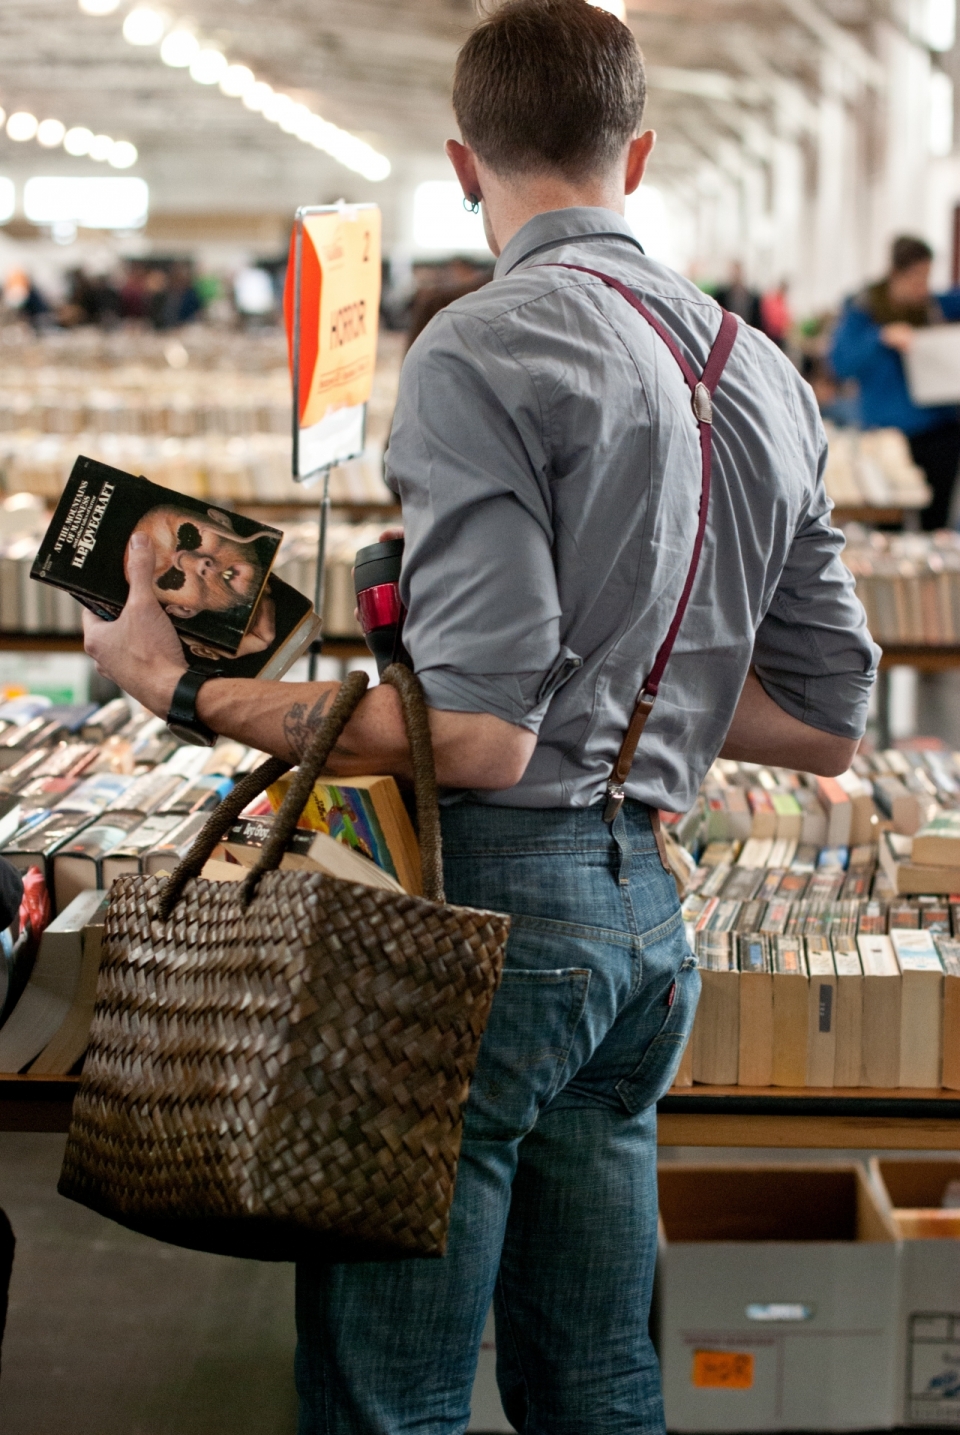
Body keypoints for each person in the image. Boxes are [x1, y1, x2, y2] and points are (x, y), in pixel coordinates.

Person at [83, 1, 877, 1430]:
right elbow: (827, 719)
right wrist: (642, 702)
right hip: (647, 927)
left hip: (488, 920)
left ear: (462, 163)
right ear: (636, 153)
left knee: (395, 1391)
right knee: (599, 1374)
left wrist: (184, 685)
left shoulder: (478, 345)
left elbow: (482, 738)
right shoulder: (761, 371)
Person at [831, 235, 960, 531]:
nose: (921, 287)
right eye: (915, 278)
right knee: (887, 526)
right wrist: (882, 337)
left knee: (935, 525)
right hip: (887, 437)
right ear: (895, 275)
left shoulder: (936, 308)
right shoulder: (863, 310)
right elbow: (841, 364)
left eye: (926, 278)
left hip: (938, 432)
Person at [713, 260, 763, 329]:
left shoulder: (752, 298)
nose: (735, 275)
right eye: (733, 272)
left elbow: (757, 321)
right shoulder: (722, 295)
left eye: (737, 272)